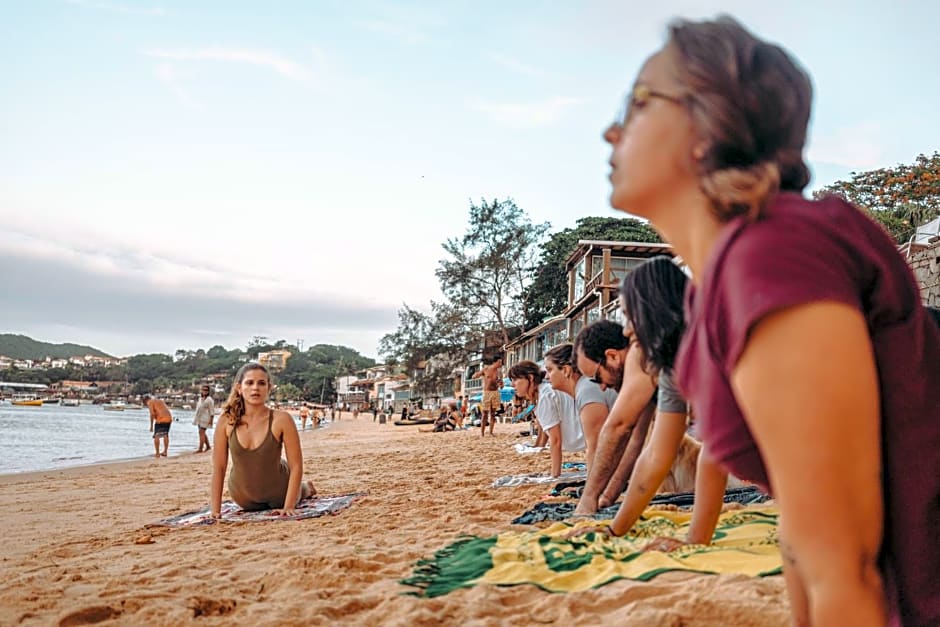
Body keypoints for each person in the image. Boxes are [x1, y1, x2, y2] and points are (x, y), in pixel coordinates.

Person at [604, 16, 940, 625]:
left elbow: (846, 569)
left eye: (637, 104)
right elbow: (800, 532)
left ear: (704, 127)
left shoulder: (774, 252)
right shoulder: (723, 287)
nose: (611, 130)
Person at [572, 258, 732, 551]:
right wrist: (614, 529)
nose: (626, 331)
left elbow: (719, 448)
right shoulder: (670, 367)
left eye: (628, 316)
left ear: (652, 310)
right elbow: (655, 455)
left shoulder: (720, 343)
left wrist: (696, 540)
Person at [571, 320, 657, 511]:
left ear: (612, 356)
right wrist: (607, 497)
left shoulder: (640, 355)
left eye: (597, 377)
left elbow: (618, 427)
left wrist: (588, 498)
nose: (601, 386)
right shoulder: (648, 372)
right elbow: (636, 439)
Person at [210, 362, 315, 518]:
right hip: (243, 498)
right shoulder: (227, 420)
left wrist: (288, 506)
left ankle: (306, 488)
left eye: (261, 383)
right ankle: (303, 487)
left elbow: (296, 465)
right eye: (249, 383)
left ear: (269, 388)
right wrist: (215, 511)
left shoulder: (282, 419)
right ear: (239, 388)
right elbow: (219, 467)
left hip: (280, 492)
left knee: (302, 490)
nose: (255, 388)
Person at [542, 342, 616, 472]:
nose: (546, 377)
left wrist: (590, 491)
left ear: (565, 370)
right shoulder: (585, 388)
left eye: (549, 370)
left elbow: (597, 449)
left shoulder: (586, 390)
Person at [508, 360, 584, 477]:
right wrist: (538, 446)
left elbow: (556, 440)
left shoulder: (544, 397)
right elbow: (546, 429)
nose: (512, 384)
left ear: (530, 378)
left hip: (585, 438)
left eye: (515, 379)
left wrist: (554, 475)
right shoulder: (543, 393)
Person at [472, 357, 503, 436]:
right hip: (487, 392)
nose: (500, 364)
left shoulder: (499, 372)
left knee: (493, 413)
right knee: (484, 413)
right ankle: (482, 433)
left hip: (495, 392)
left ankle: (491, 432)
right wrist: (475, 375)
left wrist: (501, 384)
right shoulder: (486, 369)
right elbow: (476, 375)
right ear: (495, 362)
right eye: (499, 362)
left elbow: (501, 384)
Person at [143, 394, 173, 459]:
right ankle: (165, 452)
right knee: (165, 435)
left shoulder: (150, 402)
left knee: (156, 436)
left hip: (161, 419)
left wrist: (151, 426)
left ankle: (157, 453)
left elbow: (152, 414)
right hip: (168, 418)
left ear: (146, 400)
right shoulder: (160, 400)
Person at [192, 385, 215, 453]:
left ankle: (200, 448)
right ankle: (208, 446)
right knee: (202, 433)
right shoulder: (200, 399)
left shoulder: (210, 400)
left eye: (206, 390)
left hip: (206, 419)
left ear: (208, 391)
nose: (204, 391)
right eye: (203, 390)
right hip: (199, 418)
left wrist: (211, 421)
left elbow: (212, 411)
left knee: (201, 432)